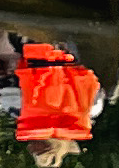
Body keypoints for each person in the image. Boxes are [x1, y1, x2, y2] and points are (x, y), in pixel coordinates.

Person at [9, 30, 105, 160]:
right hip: (37, 51)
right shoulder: (23, 115)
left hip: (74, 55)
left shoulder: (90, 112)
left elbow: (98, 86)